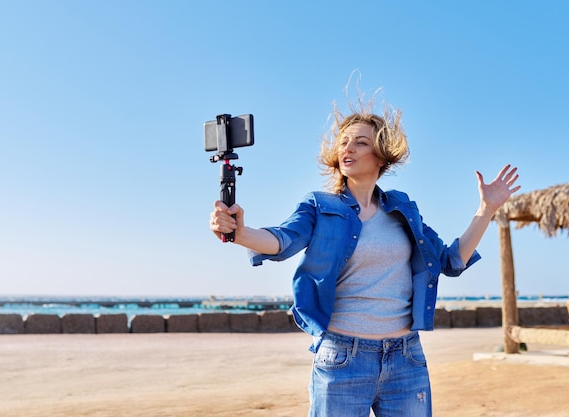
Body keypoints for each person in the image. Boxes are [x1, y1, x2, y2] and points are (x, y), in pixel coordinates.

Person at [209, 101, 520, 417]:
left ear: (381, 156)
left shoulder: (403, 209)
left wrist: (487, 209)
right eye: (344, 141)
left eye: (361, 142)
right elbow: (282, 240)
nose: (348, 148)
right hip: (343, 358)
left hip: (406, 358)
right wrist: (241, 232)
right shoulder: (319, 206)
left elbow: (450, 260)